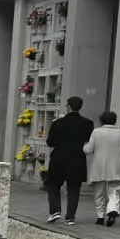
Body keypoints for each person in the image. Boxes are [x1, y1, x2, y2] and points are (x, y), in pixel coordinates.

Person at [43, 96, 91, 224]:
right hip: (77, 159)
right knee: (74, 188)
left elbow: (50, 142)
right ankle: (70, 217)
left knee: (53, 185)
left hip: (59, 158)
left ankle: (54, 211)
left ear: (68, 107)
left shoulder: (58, 123)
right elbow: (88, 141)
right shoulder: (87, 123)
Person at [86, 110, 120, 227]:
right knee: (114, 190)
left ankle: (100, 216)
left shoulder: (96, 132)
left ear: (101, 120)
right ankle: (111, 210)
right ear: (115, 121)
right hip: (116, 165)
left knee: (99, 192)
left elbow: (89, 149)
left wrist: (83, 146)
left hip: (99, 165)